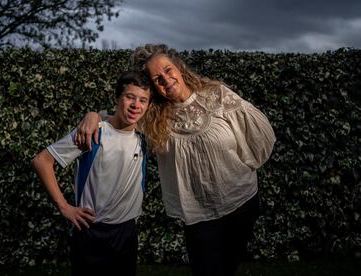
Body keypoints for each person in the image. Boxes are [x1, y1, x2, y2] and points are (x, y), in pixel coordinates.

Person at [75, 44, 276, 276]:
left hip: (241, 201)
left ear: (179, 67)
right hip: (199, 215)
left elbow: (256, 131)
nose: (166, 80)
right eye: (157, 78)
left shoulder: (216, 94)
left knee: (228, 268)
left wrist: (248, 164)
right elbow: (117, 118)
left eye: (168, 70)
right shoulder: (152, 116)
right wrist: (92, 115)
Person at [31, 70, 153, 276]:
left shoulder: (145, 135)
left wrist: (94, 113)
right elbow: (41, 161)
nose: (136, 105)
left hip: (126, 232)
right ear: (117, 98)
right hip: (91, 230)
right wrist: (64, 207)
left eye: (143, 100)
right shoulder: (93, 132)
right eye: (129, 97)